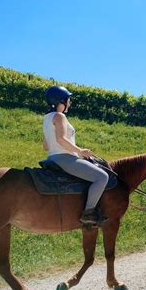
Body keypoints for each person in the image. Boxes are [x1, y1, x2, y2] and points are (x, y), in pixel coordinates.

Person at [42, 86, 109, 225]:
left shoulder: (46, 118)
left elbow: (46, 146)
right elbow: (61, 139)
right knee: (102, 177)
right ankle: (88, 213)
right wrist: (80, 151)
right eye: (68, 100)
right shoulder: (60, 116)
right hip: (65, 158)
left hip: (52, 157)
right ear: (61, 101)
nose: (70, 103)